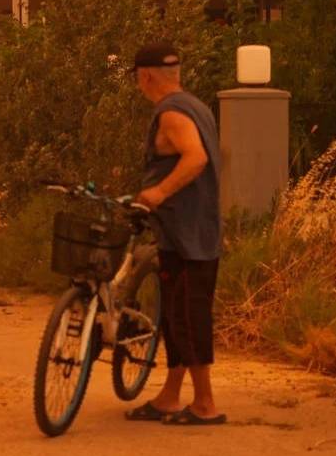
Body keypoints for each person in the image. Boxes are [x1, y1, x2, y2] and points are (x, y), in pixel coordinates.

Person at [125, 42, 226, 426]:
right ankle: (170, 396)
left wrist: (159, 192)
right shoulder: (195, 106)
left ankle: (205, 404)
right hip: (189, 228)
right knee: (175, 314)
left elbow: (196, 157)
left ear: (145, 76)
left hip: (188, 233)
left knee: (188, 316)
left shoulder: (170, 114)